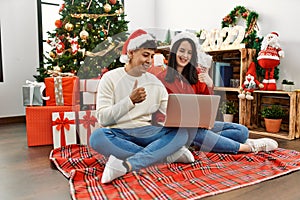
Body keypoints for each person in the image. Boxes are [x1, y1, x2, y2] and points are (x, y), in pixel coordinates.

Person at [89, 29, 194, 184]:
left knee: (181, 133)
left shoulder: (154, 82)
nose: (150, 61)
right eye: (145, 55)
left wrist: (188, 116)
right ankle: (167, 155)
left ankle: (126, 165)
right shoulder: (110, 78)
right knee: (97, 138)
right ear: (131, 53)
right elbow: (103, 119)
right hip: (118, 133)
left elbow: (170, 111)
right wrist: (130, 101)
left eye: (152, 56)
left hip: (148, 133)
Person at [156, 31, 278, 154]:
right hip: (175, 129)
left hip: (197, 125)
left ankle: (198, 142)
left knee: (242, 131)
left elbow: (206, 103)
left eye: (189, 52)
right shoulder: (161, 78)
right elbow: (158, 111)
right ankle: (248, 147)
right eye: (182, 51)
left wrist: (209, 85)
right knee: (194, 133)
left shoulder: (197, 73)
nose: (185, 56)